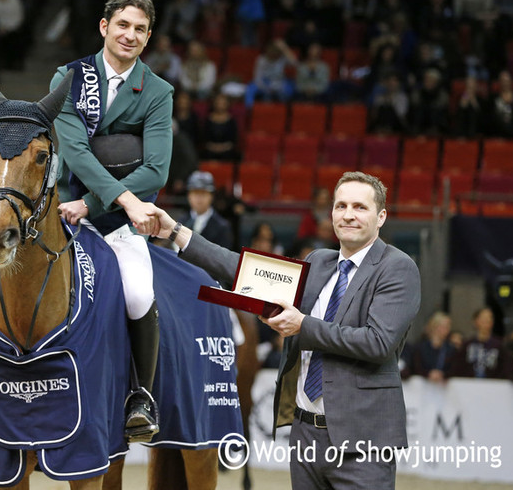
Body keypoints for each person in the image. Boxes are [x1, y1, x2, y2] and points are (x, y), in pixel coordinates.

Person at [151, 171, 421, 489]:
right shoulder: (320, 261)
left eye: (360, 207)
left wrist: (301, 325)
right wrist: (176, 232)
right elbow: (244, 271)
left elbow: (378, 342)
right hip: (305, 436)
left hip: (361, 442)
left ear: (381, 217)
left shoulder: (397, 267)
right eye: (341, 205)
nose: (348, 215)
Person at [50, 0, 172, 442]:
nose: (131, 35)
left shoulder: (158, 92)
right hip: (58, 211)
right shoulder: (68, 78)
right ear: (105, 27)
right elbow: (76, 153)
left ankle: (141, 395)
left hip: (115, 223)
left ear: (148, 37)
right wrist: (102, 200)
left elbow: (156, 169)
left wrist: (95, 204)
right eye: (123, 25)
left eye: (140, 29)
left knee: (139, 294)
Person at [178, 171, 233, 250]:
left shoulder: (222, 227)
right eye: (195, 193)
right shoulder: (181, 221)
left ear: (211, 196)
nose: (199, 198)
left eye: (203, 193)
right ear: (189, 195)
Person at [451, 307, 505, 379]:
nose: (487, 321)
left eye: (489, 318)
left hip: (491, 386)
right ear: (475, 321)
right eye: (483, 318)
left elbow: (504, 369)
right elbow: (459, 367)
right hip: (470, 385)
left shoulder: (499, 345)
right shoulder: (467, 345)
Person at [411, 311, 457, 381]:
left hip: (443, 388)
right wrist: (428, 374)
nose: (448, 329)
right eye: (445, 326)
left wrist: (443, 374)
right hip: (422, 387)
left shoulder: (451, 349)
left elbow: (454, 369)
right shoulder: (420, 347)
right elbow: (416, 367)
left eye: (449, 326)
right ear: (435, 326)